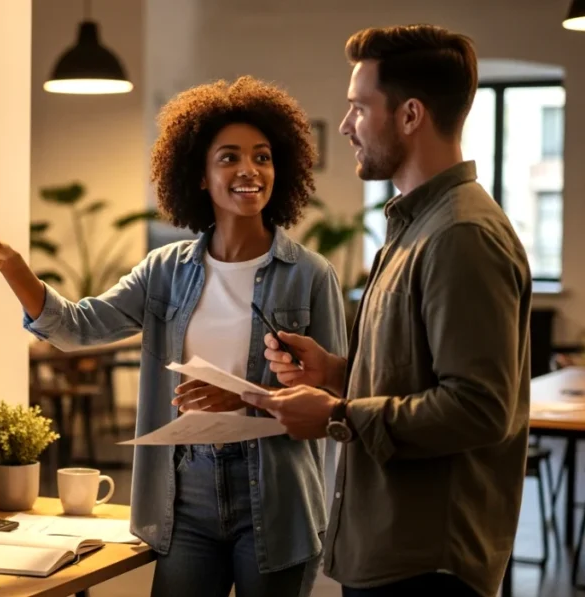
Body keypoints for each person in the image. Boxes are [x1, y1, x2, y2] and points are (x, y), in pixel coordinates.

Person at [0, 75, 347, 597]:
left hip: (277, 492)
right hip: (185, 493)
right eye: (229, 157)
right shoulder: (165, 271)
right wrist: (12, 266)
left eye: (262, 157)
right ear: (198, 175)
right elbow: (78, 327)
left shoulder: (311, 275)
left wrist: (246, 399)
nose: (249, 170)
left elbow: (335, 398)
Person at [252, 24, 532, 597]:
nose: (348, 125)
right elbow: (419, 371)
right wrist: (335, 371)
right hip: (394, 549)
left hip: (427, 563)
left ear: (409, 115)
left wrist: (337, 415)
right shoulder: (418, 226)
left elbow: (479, 408)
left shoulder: (461, 235)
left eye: (359, 107)